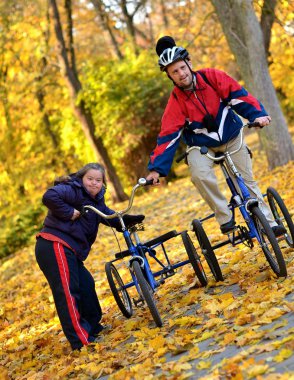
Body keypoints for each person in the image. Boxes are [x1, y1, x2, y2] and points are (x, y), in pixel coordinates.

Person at [146, 36, 285, 236]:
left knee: (246, 180)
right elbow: (168, 137)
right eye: (174, 72)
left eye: (182, 68)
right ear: (170, 76)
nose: (181, 74)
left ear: (189, 63)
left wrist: (258, 115)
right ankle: (225, 216)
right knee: (199, 174)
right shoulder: (175, 103)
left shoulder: (212, 77)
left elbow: (240, 96)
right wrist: (156, 170)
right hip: (202, 147)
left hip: (231, 135)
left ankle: (269, 224)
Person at [35, 163, 144, 351]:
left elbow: (108, 216)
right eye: (90, 179)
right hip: (54, 244)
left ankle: (92, 327)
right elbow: (49, 196)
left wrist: (127, 219)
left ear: (103, 184)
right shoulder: (73, 189)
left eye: (98, 180)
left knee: (86, 285)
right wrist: (69, 213)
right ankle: (81, 341)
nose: (94, 183)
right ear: (81, 179)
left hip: (70, 249)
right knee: (68, 293)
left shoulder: (96, 201)